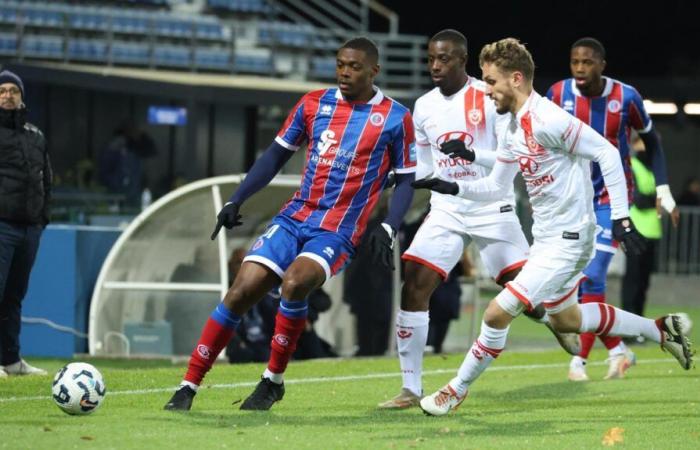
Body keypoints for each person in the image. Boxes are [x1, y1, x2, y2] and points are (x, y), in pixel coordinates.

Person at [412, 38, 693, 416]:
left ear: (515, 78)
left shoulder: (550, 119)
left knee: (496, 313)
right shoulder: (513, 126)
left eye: (491, 81)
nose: (486, 89)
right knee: (568, 319)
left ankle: (454, 390)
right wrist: (452, 184)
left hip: (570, 240)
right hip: (547, 240)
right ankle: (661, 330)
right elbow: (495, 185)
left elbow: (608, 154)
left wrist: (622, 218)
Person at [164, 37, 416, 411]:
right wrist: (237, 197)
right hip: (295, 216)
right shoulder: (313, 104)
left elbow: (407, 178)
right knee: (240, 291)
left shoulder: (396, 118)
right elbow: (275, 156)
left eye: (355, 67)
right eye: (340, 64)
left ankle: (272, 380)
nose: (345, 72)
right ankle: (188, 385)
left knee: (295, 284)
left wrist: (390, 225)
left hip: (337, 230)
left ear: (374, 70)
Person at [377, 30, 579, 410]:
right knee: (415, 284)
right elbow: (424, 163)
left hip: (492, 206)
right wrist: (400, 176)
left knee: (526, 297)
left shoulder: (487, 96)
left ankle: (553, 318)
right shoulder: (422, 107)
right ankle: (410, 388)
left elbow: (509, 153)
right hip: (447, 209)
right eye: (431, 59)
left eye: (445, 59)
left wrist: (469, 154)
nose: (436, 66)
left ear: (462, 59)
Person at [547, 37, 680, 381]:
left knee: (593, 274)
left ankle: (580, 359)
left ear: (602, 65)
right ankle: (619, 350)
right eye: (574, 61)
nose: (579, 69)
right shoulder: (557, 94)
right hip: (573, 198)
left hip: (611, 198)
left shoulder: (626, 97)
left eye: (587, 62)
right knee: (572, 280)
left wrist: (663, 189)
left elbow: (653, 142)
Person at [0, 70, 51, 377]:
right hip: (1, 224)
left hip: (29, 227)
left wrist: (42, 218)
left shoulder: (36, 135)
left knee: (14, 295)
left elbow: (47, 177)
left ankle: (10, 360)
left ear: (21, 96)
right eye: (2, 90)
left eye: (13, 91)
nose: (8, 95)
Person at [620, 133, 662, 324]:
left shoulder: (652, 169)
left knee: (644, 284)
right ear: (635, 144)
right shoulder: (632, 166)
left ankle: (640, 325)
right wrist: (656, 199)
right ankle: (629, 326)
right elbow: (640, 200)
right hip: (636, 232)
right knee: (633, 282)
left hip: (652, 231)